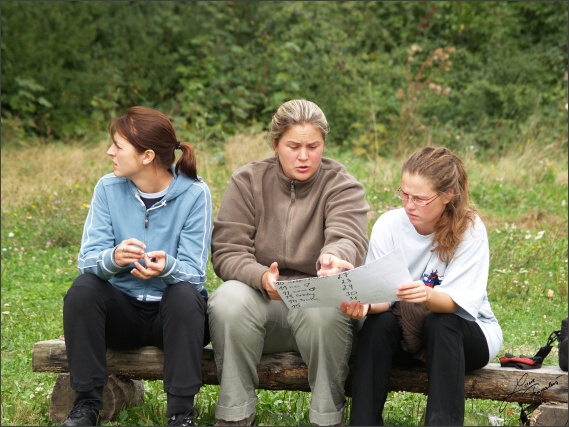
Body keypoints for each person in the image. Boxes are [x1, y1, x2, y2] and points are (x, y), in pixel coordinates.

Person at [207, 99, 369, 426]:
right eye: (293, 146)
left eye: (314, 146)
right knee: (227, 299)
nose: (304, 155)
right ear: (275, 144)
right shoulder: (247, 181)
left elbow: (348, 236)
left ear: (324, 143)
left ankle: (327, 418)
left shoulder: (342, 184)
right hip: (264, 301)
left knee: (324, 309)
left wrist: (334, 259)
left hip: (319, 304)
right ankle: (235, 416)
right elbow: (227, 250)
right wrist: (261, 277)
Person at [61, 106, 212, 426]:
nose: (109, 152)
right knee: (83, 290)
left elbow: (196, 274)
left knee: (186, 295)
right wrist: (112, 259)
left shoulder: (195, 193)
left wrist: (167, 267)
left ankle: (181, 413)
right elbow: (87, 260)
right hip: (122, 317)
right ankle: (87, 405)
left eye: (118, 146)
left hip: (173, 319)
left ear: (146, 156)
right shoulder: (107, 188)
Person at [341, 146, 503, 426]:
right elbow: (382, 298)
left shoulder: (470, 229)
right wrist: (365, 304)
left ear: (447, 195)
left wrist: (427, 295)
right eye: (404, 194)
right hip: (406, 333)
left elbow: (455, 304)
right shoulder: (389, 225)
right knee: (377, 324)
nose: (408, 204)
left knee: (441, 323)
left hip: (465, 336)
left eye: (419, 198)